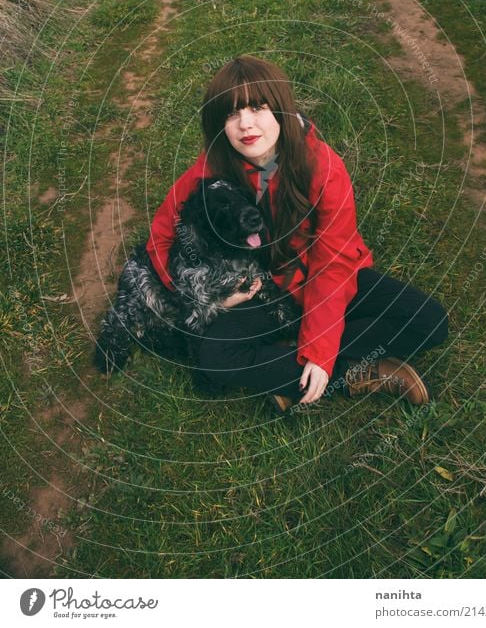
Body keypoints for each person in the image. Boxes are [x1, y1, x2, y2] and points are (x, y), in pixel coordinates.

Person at [146, 54, 449, 413]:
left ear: (281, 110)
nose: (246, 124)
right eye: (231, 113)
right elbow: (161, 239)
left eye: (257, 107)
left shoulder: (322, 166)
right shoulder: (212, 169)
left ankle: (292, 365)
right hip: (262, 293)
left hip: (322, 280)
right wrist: (204, 298)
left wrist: (320, 350)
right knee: (214, 356)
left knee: (429, 321)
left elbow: (332, 263)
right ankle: (354, 370)